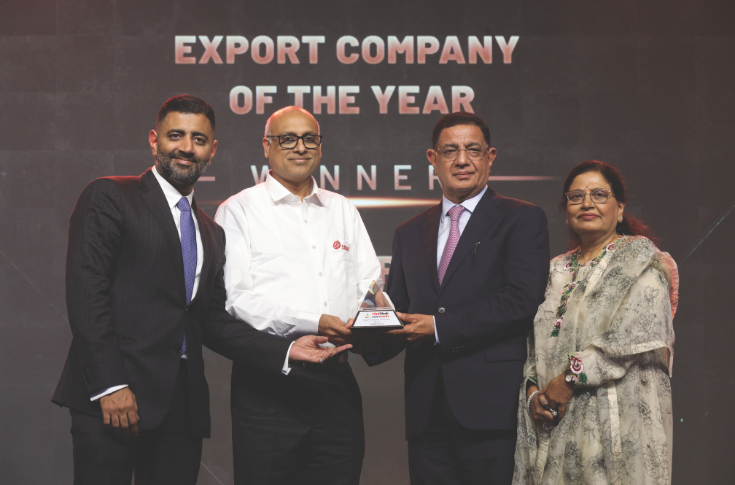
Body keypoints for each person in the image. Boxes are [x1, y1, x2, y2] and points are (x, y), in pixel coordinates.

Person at [51, 95, 348, 485]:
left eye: (199, 139)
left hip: (181, 409)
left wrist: (288, 349)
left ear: (213, 149)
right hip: (113, 397)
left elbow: (211, 321)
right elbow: (88, 295)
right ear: (154, 140)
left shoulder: (210, 231)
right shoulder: (111, 196)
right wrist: (111, 384)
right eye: (176, 135)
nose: (187, 148)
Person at [365, 111, 550, 484]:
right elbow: (399, 312)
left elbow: (520, 301)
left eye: (473, 150)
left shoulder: (521, 218)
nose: (462, 160)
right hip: (426, 410)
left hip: (490, 409)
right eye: (450, 151)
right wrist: (360, 336)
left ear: (490, 156)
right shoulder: (408, 232)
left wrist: (438, 327)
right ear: (433, 159)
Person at [214, 106, 383, 485]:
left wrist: (365, 322)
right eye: (287, 139)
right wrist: (316, 322)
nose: (300, 147)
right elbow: (237, 299)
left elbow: (371, 283)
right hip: (269, 382)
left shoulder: (342, 209)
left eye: (309, 138)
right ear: (266, 146)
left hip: (337, 379)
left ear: (320, 146)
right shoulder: (239, 210)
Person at [513, 160, 678, 484]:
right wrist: (533, 392)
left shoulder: (642, 260)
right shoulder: (553, 271)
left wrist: (569, 379)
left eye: (599, 195)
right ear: (566, 211)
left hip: (616, 420)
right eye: (576, 197)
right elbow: (530, 344)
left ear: (620, 208)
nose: (587, 203)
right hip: (553, 423)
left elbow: (635, 334)